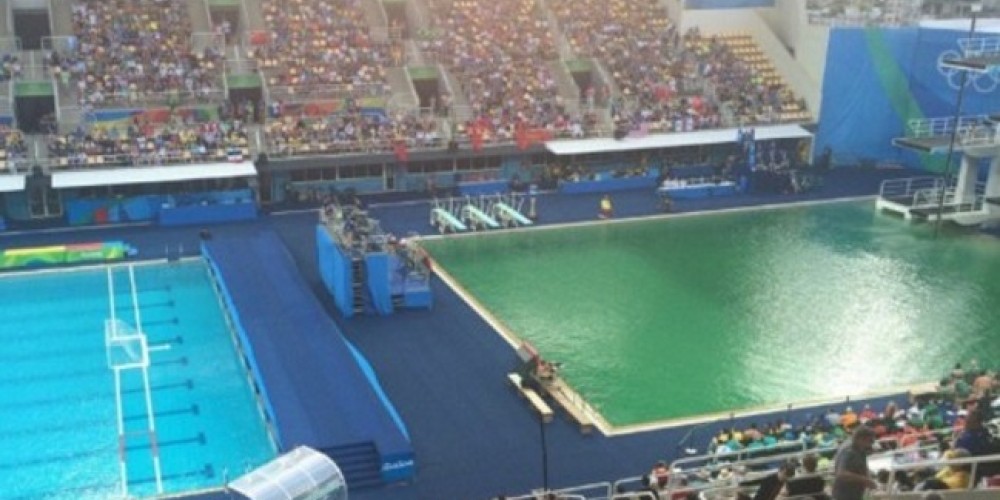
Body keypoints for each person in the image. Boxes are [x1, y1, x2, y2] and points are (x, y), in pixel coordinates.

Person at [831, 426, 878, 500]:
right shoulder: (848, 451)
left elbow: (863, 465)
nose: (871, 444)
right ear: (861, 438)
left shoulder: (861, 449)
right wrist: (864, 480)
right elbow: (841, 473)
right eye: (870, 441)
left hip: (855, 493)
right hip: (844, 494)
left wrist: (869, 476)